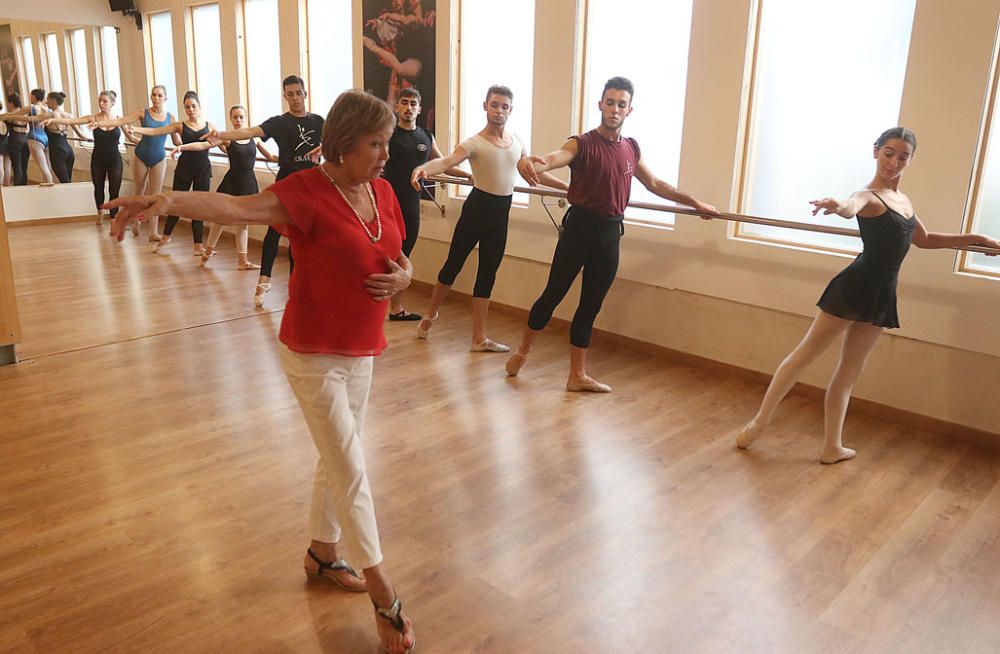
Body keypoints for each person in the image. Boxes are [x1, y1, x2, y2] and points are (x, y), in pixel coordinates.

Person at [105, 89, 416, 654]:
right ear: (344, 144)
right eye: (376, 144)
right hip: (313, 351)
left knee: (336, 453)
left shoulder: (382, 191)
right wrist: (165, 201)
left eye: (387, 143)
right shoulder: (308, 192)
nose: (385, 154)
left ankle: (323, 553)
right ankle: (383, 592)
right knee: (350, 464)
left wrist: (405, 278)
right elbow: (237, 209)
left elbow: (396, 255)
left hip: (363, 347)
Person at [735, 127, 1000, 463]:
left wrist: (976, 238)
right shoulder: (868, 196)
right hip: (854, 286)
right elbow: (850, 206)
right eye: (888, 153)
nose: (894, 162)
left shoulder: (903, 201)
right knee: (804, 355)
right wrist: (837, 204)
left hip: (881, 293)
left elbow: (925, 239)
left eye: (902, 156)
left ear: (910, 160)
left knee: (850, 371)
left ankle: (832, 446)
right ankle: (759, 422)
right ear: (875, 152)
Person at [509, 76, 719, 392]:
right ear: (600, 105)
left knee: (590, 305)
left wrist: (695, 202)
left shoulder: (631, 148)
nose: (614, 109)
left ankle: (576, 376)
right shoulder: (581, 143)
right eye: (610, 103)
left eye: (621, 104)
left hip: (609, 235)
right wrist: (534, 163)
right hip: (578, 230)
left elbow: (657, 185)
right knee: (553, 294)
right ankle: (522, 353)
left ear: (629, 109)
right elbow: (555, 158)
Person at [411, 84, 568, 352]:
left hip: (500, 215)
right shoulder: (474, 143)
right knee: (453, 265)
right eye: (494, 105)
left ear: (510, 110)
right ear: (485, 106)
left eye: (504, 106)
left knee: (487, 274)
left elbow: (533, 173)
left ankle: (478, 338)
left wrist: (567, 189)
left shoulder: (516, 142)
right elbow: (447, 162)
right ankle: (430, 316)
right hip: (476, 210)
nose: (498, 111)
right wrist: (423, 168)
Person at [203, 75, 324, 307]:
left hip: (312, 187)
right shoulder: (279, 122)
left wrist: (327, 146)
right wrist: (222, 135)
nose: (295, 98)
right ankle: (263, 281)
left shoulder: (319, 121)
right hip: (287, 184)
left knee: (300, 238)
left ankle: (296, 289)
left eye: (299, 93)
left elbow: (341, 139)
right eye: (290, 94)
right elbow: (249, 132)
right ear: (285, 96)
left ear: (305, 93)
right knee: (274, 232)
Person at [382, 86, 469, 320]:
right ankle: (375, 305)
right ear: (397, 106)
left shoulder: (426, 136)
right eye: (405, 103)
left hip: (411, 206)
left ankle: (396, 309)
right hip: (387, 205)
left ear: (419, 109)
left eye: (413, 104)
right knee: (384, 256)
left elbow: (444, 163)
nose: (408, 108)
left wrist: (469, 176)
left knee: (404, 255)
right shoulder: (388, 135)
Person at [127, 91, 215, 255]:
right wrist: (135, 129)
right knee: (175, 204)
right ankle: (165, 238)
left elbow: (221, 143)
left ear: (199, 107)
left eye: (193, 106)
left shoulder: (209, 126)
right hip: (185, 169)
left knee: (199, 207)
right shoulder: (179, 126)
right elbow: (155, 132)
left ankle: (198, 246)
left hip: (203, 169)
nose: (190, 109)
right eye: (187, 107)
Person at [196, 104, 278, 269]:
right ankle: (208, 251)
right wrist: (188, 145)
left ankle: (243, 261)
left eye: (241, 117)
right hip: (232, 182)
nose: (238, 120)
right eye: (235, 117)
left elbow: (269, 155)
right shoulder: (228, 138)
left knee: (243, 223)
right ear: (231, 119)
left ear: (245, 118)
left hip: (248, 182)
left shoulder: (254, 138)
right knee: (221, 219)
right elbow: (207, 144)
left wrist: (289, 160)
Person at [93, 85, 177, 240]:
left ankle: (153, 232)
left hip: (159, 157)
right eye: (154, 95)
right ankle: (135, 221)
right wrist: (100, 124)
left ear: (165, 98)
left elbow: (176, 139)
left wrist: (188, 139)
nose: (156, 98)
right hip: (141, 155)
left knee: (156, 195)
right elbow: (122, 121)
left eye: (159, 95)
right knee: (139, 192)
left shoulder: (170, 118)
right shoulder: (142, 113)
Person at [46, 90, 122, 225]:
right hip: (98, 159)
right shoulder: (93, 118)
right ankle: (100, 214)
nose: (101, 103)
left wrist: (142, 141)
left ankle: (113, 218)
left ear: (112, 103)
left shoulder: (119, 118)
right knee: (98, 188)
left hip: (115, 159)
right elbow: (72, 121)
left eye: (105, 101)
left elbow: (131, 134)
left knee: (114, 190)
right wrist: (53, 119)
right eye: (100, 100)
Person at [16, 91, 87, 183]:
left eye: (48, 100)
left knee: (65, 182)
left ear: (53, 101)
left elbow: (27, 119)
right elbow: (81, 135)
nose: (46, 102)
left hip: (57, 152)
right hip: (69, 151)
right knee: (67, 181)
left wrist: (6, 116)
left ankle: (67, 197)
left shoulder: (49, 115)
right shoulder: (69, 115)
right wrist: (91, 139)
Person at [1, 93, 29, 185]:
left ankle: (17, 188)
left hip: (15, 140)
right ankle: (24, 186)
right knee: (24, 167)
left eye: (8, 104)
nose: (7, 106)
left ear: (11, 103)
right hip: (25, 139)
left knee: (17, 167)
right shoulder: (25, 114)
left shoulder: (10, 115)